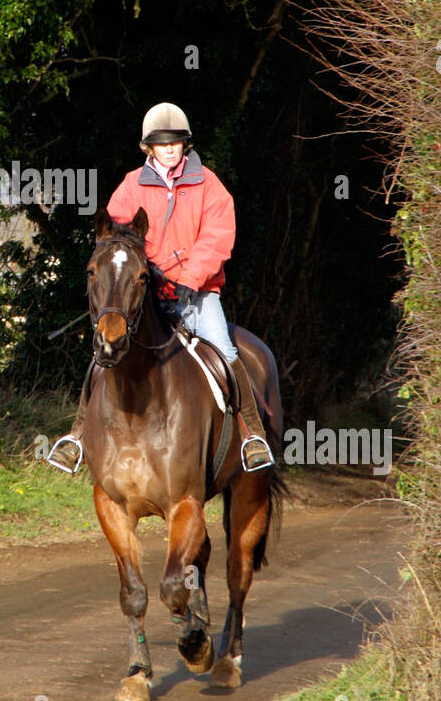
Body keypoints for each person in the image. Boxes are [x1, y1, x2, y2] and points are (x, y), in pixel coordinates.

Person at [48, 101, 275, 473]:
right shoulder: (131, 186)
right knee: (104, 352)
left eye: (176, 142)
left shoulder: (209, 185)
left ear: (185, 144)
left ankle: (252, 435)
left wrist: (189, 280)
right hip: (146, 296)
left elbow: (217, 238)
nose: (169, 149)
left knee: (225, 350)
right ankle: (75, 437)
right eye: (161, 143)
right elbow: (117, 240)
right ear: (148, 147)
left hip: (197, 296)